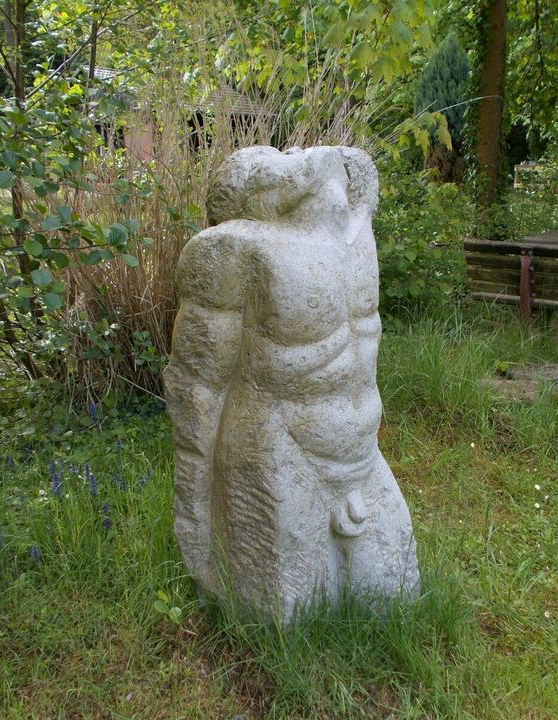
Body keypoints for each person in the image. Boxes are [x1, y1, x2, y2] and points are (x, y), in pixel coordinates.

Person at [164, 146, 419, 622]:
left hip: (362, 456)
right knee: (283, 617)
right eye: (264, 164)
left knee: (396, 597)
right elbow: (197, 387)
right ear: (248, 196)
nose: (302, 161)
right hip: (279, 448)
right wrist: (195, 524)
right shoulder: (232, 251)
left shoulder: (359, 238)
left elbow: (362, 179)